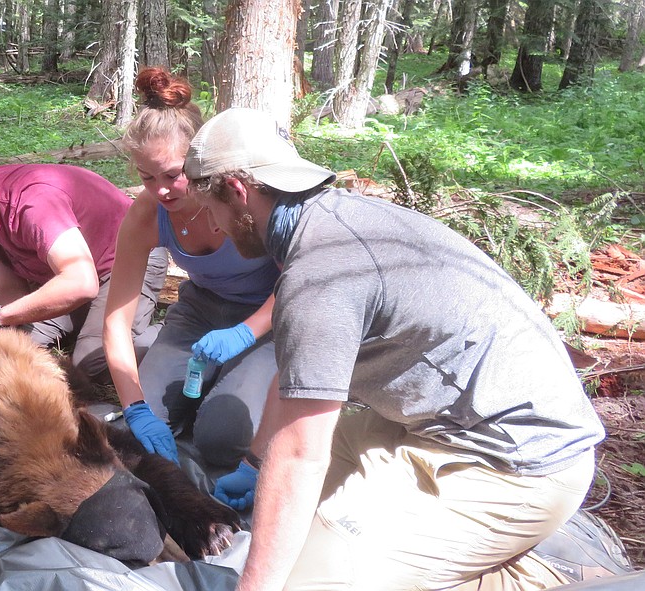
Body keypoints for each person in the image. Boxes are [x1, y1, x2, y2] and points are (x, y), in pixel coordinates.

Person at [187, 107, 607, 590]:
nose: (214, 225)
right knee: (293, 509)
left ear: (238, 191)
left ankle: (517, 574)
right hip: (447, 420)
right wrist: (255, 462)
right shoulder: (332, 222)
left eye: (211, 208)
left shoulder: (320, 272)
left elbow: (302, 453)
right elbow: (302, 374)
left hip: (519, 464)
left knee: (310, 580)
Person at [102, 68, 278, 503]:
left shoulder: (242, 193)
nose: (161, 190)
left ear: (200, 159)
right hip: (201, 310)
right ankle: (198, 394)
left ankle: (230, 394)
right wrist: (136, 409)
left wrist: (246, 333)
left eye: (173, 174)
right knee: (136, 431)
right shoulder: (147, 213)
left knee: (221, 438)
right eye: (147, 177)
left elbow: (301, 278)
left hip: (269, 316)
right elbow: (116, 322)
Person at [0, 163, 168, 383]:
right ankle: (89, 322)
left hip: (125, 260)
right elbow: (9, 290)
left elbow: (82, 283)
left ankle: (178, 330)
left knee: (94, 363)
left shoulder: (32, 202)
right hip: (66, 276)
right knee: (13, 349)